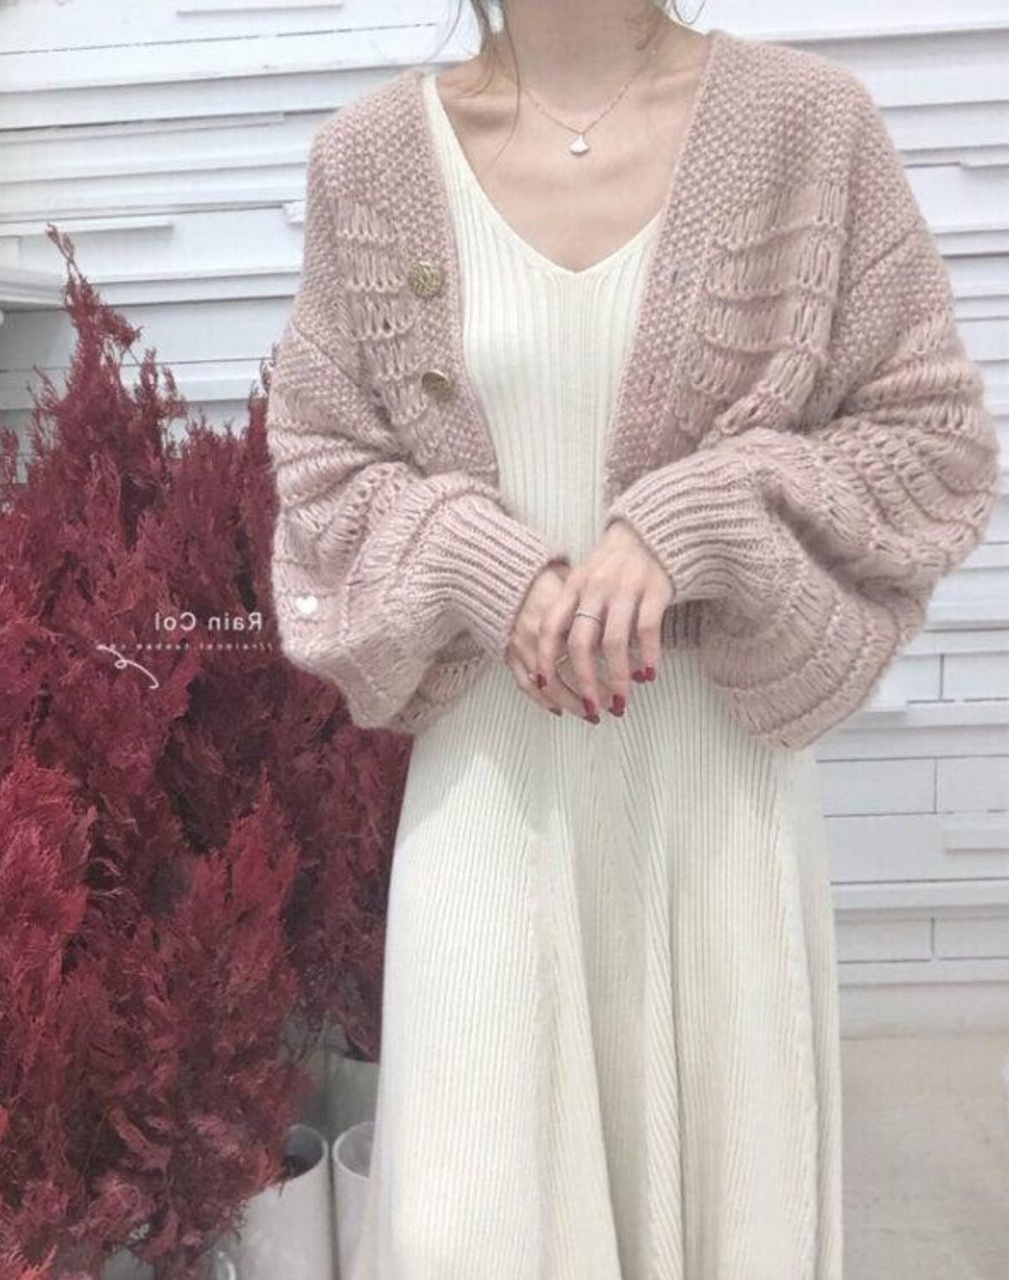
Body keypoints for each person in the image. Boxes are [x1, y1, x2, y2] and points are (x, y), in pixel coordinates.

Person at [262, 2, 1001, 1277]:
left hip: (714, 800)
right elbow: (324, 467)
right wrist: (477, 559)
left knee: (716, 1222)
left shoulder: (806, 127)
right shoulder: (368, 158)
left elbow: (929, 443)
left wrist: (696, 518)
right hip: (489, 782)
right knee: (458, 1230)